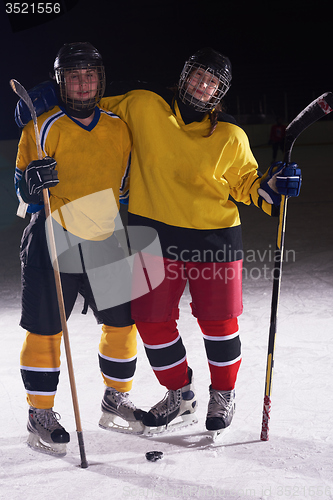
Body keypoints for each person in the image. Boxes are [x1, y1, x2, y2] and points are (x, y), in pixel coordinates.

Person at [15, 47, 302, 438]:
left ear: (222, 91)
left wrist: (274, 188)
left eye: (213, 82)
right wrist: (44, 104)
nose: (203, 85)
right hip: (109, 234)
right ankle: (55, 411)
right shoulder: (138, 107)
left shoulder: (221, 134)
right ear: (183, 75)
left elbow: (249, 187)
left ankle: (185, 394)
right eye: (199, 75)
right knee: (112, 324)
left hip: (169, 236)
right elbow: (79, 111)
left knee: (173, 323)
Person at [14, 42, 146, 456]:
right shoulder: (40, 127)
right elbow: (21, 194)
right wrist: (31, 185)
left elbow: (124, 188)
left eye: (90, 74)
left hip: (105, 235)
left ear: (100, 79)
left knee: (124, 324)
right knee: (47, 330)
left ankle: (115, 399)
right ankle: (41, 413)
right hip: (54, 233)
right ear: (61, 82)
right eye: (74, 75)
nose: (83, 82)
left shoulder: (118, 127)